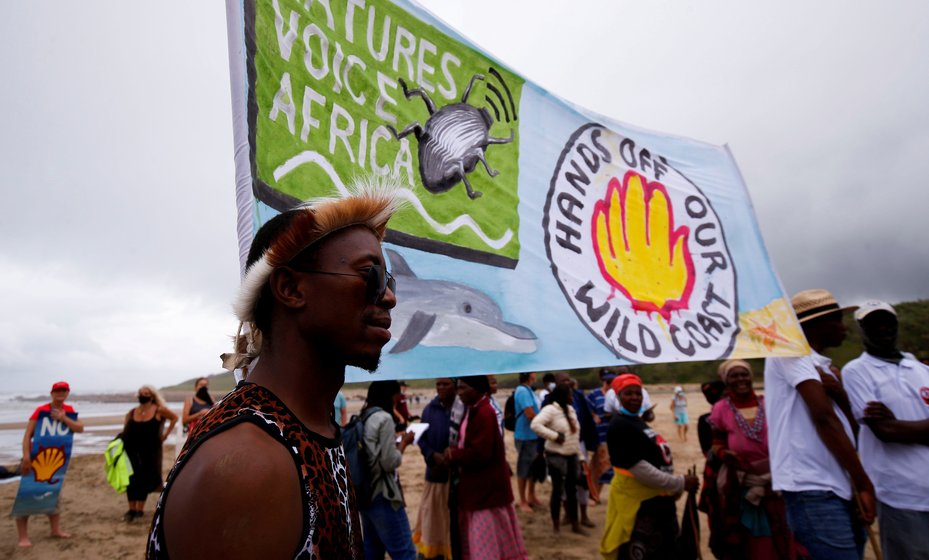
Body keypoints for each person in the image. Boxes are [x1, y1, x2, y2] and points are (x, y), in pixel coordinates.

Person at [148, 177, 404, 558]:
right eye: (371, 276)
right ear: (291, 289)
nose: (389, 297)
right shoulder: (247, 467)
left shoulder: (315, 430)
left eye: (388, 279)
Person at [764, 289, 875, 560]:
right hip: (813, 488)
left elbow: (851, 428)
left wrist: (840, 393)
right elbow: (823, 417)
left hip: (837, 484)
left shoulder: (823, 367)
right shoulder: (789, 352)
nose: (843, 326)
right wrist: (864, 483)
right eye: (836, 319)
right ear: (814, 325)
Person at [842, 301, 929, 560]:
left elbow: (893, 427)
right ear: (861, 329)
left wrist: (898, 424)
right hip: (900, 494)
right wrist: (893, 426)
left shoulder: (922, 370)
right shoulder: (856, 372)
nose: (883, 328)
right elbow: (885, 431)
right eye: (873, 324)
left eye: (888, 322)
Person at [710, 360, 805, 560]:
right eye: (734, 376)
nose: (740, 379)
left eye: (744, 374)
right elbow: (716, 442)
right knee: (755, 538)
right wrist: (723, 454)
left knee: (785, 529)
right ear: (726, 381)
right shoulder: (720, 409)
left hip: (778, 480)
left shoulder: (769, 402)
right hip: (746, 484)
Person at [600, 373, 698, 559]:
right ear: (619, 397)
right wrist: (678, 483)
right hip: (640, 504)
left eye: (638, 393)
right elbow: (639, 468)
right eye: (629, 393)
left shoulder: (637, 421)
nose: (635, 397)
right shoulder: (619, 425)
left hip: (656, 499)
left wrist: (671, 487)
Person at [445, 375, 527, 559]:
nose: (459, 393)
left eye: (463, 388)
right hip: (478, 491)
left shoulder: (484, 413)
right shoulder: (473, 410)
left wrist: (454, 455)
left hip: (486, 494)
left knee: (486, 546)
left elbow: (480, 453)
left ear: (476, 389)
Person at [15, 381, 85, 548]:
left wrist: (64, 418)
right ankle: (23, 537)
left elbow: (80, 428)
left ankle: (55, 530)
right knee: (26, 494)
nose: (60, 393)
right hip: (34, 459)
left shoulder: (69, 410)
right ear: (52, 393)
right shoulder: (41, 411)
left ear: (67, 393)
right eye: (57, 391)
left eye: (63, 390)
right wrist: (26, 456)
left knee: (54, 495)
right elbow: (27, 435)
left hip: (57, 462)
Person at [361, 380, 417, 560]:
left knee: (372, 549)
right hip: (384, 493)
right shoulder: (384, 418)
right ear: (390, 396)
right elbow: (389, 462)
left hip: (366, 491)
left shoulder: (365, 415)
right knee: (404, 552)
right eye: (397, 395)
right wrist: (405, 444)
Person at [532, 383, 587, 534]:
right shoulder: (550, 410)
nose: (572, 397)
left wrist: (580, 457)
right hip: (556, 456)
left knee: (572, 490)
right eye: (569, 394)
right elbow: (535, 424)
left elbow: (574, 435)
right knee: (557, 491)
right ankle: (556, 526)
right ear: (563, 396)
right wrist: (554, 436)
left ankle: (575, 524)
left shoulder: (570, 409)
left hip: (572, 455)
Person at [413, 378, 457, 560]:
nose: (441, 387)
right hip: (434, 473)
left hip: (456, 476)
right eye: (438, 384)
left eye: (445, 384)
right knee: (433, 517)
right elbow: (420, 438)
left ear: (455, 385)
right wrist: (432, 455)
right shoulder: (429, 410)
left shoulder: (462, 408)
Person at [123, 386, 177, 522]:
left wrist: (165, 435)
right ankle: (131, 509)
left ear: (152, 396)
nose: (143, 395)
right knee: (131, 479)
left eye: (146, 393)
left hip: (150, 450)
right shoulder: (132, 412)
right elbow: (126, 428)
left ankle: (139, 510)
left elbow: (174, 418)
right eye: (141, 393)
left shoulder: (158, 410)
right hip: (131, 449)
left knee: (143, 478)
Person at [513, 371, 542, 512]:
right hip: (525, 435)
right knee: (524, 468)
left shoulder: (529, 390)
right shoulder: (522, 391)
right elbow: (529, 413)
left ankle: (531, 495)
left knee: (533, 467)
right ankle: (523, 500)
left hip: (532, 435)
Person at [587, 368, 616, 496]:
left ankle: (597, 494)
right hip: (600, 435)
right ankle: (594, 494)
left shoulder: (617, 394)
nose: (609, 383)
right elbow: (585, 408)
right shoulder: (594, 394)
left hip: (614, 435)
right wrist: (593, 415)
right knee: (598, 465)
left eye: (611, 380)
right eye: (607, 380)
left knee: (609, 466)